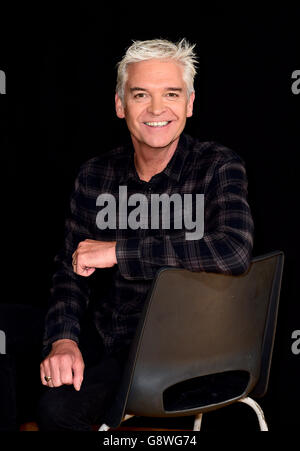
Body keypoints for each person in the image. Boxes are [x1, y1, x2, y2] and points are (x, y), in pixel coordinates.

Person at [35, 38, 254, 430]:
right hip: (116, 344)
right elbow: (71, 271)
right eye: (141, 95)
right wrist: (64, 339)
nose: (156, 109)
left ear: (189, 103)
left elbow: (233, 251)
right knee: (50, 400)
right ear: (121, 105)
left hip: (195, 352)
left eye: (171, 94)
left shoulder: (218, 166)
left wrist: (121, 251)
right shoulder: (95, 175)